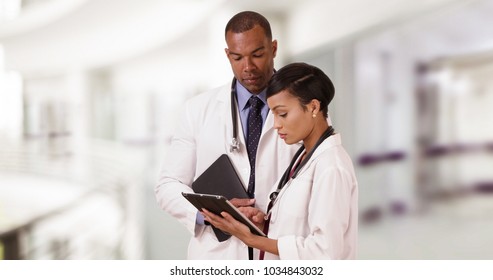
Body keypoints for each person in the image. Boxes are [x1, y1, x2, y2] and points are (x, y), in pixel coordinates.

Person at [155, 11, 299, 259]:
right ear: (227, 55)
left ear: (274, 48)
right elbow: (167, 186)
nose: (248, 67)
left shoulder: (304, 108)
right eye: (237, 57)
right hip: (218, 256)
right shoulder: (197, 110)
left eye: (257, 54)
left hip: (280, 250)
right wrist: (212, 215)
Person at [202, 62, 359, 260]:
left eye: (282, 114)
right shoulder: (303, 157)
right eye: (273, 114)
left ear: (313, 107)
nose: (276, 125)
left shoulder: (331, 167)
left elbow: (325, 251)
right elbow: (298, 226)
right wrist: (264, 222)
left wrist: (251, 239)